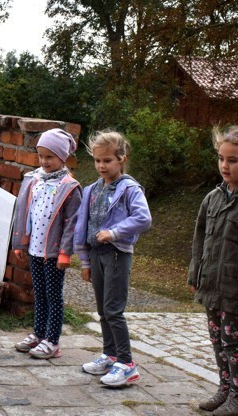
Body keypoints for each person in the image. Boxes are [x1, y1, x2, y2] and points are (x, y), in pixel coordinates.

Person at [188, 126, 238, 416]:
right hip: (212, 285)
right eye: (221, 158)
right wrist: (196, 273)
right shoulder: (213, 198)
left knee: (232, 342)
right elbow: (199, 239)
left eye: (233, 160)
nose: (225, 165)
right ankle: (224, 389)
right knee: (217, 340)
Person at [75, 131, 151, 386]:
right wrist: (85, 261)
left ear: (122, 159)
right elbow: (83, 226)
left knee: (114, 310)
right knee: (102, 310)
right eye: (97, 161)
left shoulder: (130, 188)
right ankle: (110, 354)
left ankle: (127, 364)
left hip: (117, 254)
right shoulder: (92, 190)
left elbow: (143, 218)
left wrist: (114, 232)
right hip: (96, 254)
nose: (101, 166)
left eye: (107, 160)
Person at [11, 128, 82, 359]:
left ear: (63, 157)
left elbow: (73, 223)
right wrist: (19, 242)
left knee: (53, 296)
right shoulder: (33, 179)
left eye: (50, 156)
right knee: (38, 294)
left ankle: (53, 340)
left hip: (53, 253)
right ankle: (38, 333)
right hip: (34, 249)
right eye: (41, 155)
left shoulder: (69, 187)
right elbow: (22, 212)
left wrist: (65, 253)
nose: (44, 161)